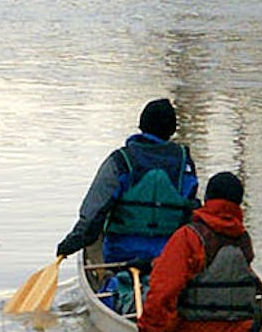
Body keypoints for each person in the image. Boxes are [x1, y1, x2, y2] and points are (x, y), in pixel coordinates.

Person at [55, 98, 199, 268]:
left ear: (141, 125)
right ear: (172, 130)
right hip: (167, 257)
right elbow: (191, 211)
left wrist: (71, 243)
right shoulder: (184, 163)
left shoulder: (120, 161)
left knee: (116, 283)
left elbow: (94, 212)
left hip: (120, 256)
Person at [133, 171, 259, 332]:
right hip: (240, 331)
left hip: (193, 331)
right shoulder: (244, 239)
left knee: (137, 292)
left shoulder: (188, 236)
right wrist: (154, 264)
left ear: (207, 198)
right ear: (238, 203)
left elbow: (163, 290)